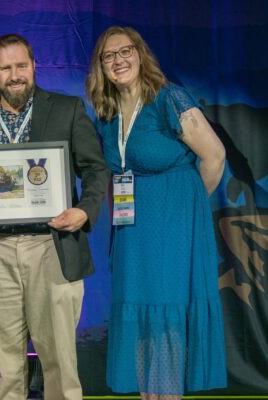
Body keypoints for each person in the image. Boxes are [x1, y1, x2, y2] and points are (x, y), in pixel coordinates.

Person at [0, 34, 109, 400]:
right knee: (7, 369)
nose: (15, 75)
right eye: (6, 68)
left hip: (51, 246)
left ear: (34, 65)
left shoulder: (66, 109)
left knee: (59, 364)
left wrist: (84, 210)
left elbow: (95, 170)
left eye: (21, 65)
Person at [86, 26, 227, 400]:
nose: (118, 61)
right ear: (101, 66)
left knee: (165, 314)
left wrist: (186, 209)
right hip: (132, 228)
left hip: (172, 224)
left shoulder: (169, 98)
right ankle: (151, 394)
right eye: (108, 56)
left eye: (125, 51)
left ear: (140, 53)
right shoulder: (107, 112)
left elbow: (214, 156)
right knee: (143, 317)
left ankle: (167, 395)